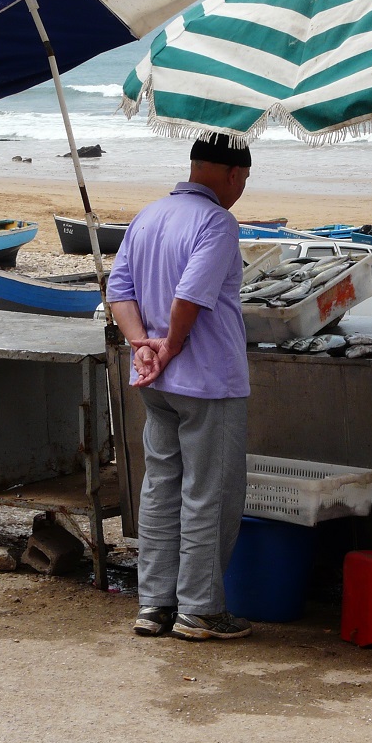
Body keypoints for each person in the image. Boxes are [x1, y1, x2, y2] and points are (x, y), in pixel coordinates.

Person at [107, 134, 254, 642]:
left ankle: (154, 605)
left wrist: (141, 346)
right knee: (207, 492)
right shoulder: (217, 222)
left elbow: (118, 291)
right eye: (244, 181)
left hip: (154, 380)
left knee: (161, 487)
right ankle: (199, 609)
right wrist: (170, 343)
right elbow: (190, 294)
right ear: (235, 175)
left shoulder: (147, 216)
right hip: (208, 379)